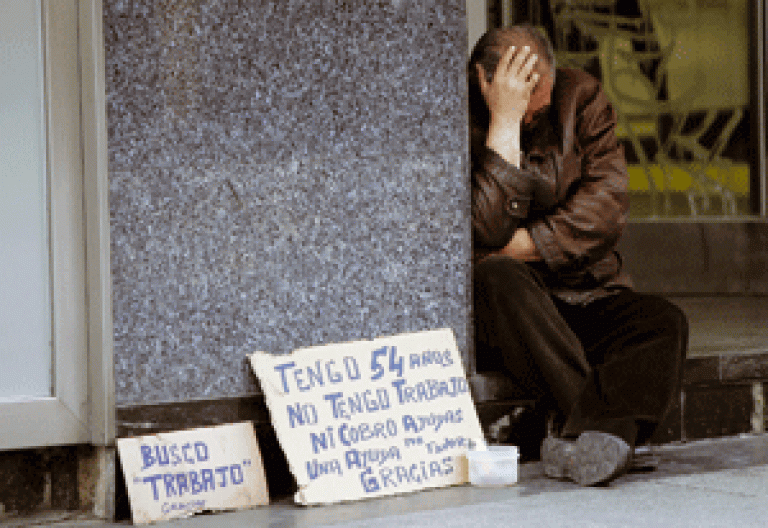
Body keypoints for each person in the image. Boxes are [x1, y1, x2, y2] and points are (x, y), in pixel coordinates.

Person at [469, 26, 688, 486]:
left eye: (541, 88)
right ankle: (606, 431)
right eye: (521, 92)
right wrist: (504, 123)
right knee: (497, 277)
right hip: (518, 310)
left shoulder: (581, 98)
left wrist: (522, 243)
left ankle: (581, 435)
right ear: (484, 83)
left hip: (585, 289)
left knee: (663, 320)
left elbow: (604, 211)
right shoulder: (458, 117)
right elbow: (483, 229)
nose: (538, 103)